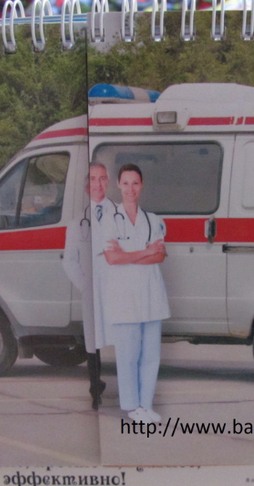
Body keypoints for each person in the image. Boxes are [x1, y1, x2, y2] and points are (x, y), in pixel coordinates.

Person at [99, 164, 169, 424]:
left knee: (150, 355)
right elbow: (112, 259)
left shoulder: (153, 220)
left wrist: (131, 254)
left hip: (151, 295)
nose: (131, 189)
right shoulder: (109, 219)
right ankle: (131, 407)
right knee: (128, 356)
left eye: (135, 183)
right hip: (124, 297)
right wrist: (145, 251)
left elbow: (160, 255)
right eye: (126, 183)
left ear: (142, 185)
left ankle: (146, 404)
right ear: (118, 185)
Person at [62, 162, 114, 410]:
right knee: (93, 341)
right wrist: (86, 286)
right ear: (86, 187)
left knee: (125, 339)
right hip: (92, 291)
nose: (98, 184)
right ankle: (95, 389)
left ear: (108, 183)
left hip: (116, 289)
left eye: (102, 179)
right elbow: (69, 260)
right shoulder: (76, 224)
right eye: (93, 180)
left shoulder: (121, 217)